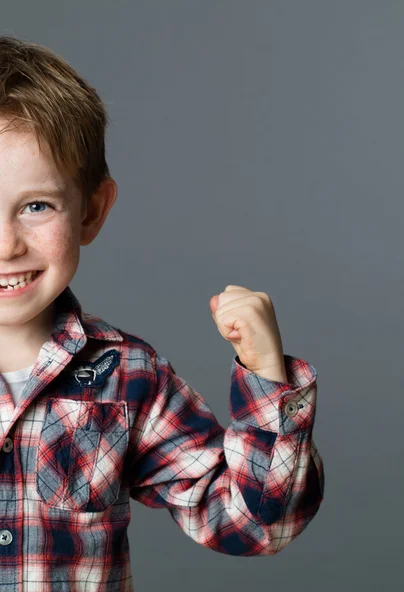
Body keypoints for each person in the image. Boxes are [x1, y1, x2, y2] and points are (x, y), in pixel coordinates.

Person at [0, 36, 325, 591]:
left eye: (36, 206)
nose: (7, 245)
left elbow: (254, 525)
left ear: (92, 211)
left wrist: (268, 379)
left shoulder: (129, 377)